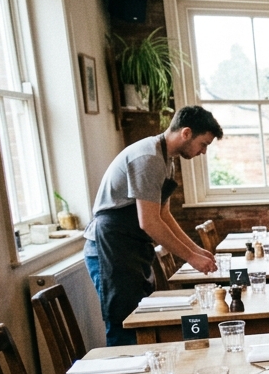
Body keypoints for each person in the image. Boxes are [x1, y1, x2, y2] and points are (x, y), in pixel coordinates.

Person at [84, 106, 221, 346]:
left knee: (143, 318)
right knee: (125, 321)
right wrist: (190, 257)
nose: (203, 152)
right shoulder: (147, 158)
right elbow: (148, 222)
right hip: (110, 245)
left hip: (130, 246)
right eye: (203, 144)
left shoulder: (166, 160)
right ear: (186, 133)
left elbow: (163, 215)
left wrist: (197, 250)